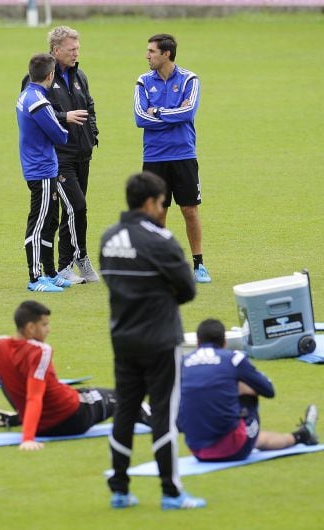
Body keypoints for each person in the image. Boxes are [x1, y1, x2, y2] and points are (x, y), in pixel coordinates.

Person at [100, 171, 205, 510]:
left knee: (125, 413)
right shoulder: (161, 240)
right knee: (163, 414)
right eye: (162, 203)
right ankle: (171, 492)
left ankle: (119, 488)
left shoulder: (108, 238)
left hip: (123, 338)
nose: (163, 209)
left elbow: (111, 281)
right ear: (149, 203)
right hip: (160, 340)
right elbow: (187, 289)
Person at [0, 301, 132, 450]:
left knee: (83, 393)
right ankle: (149, 414)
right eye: (44, 325)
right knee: (122, 398)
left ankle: (17, 419)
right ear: (30, 327)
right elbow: (34, 397)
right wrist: (27, 439)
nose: (48, 330)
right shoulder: (40, 351)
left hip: (42, 427)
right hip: (72, 417)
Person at [21, 26, 100, 285]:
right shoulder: (38, 78)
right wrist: (65, 117)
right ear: (56, 51)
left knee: (72, 210)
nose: (77, 53)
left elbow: (88, 105)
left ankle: (65, 265)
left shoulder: (80, 76)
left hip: (82, 152)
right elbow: (37, 113)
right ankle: (76, 258)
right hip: (58, 157)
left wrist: (92, 133)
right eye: (72, 49)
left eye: (78, 48)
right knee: (76, 206)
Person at [179, 319, 319, 463]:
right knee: (248, 394)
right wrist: (240, 388)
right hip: (233, 448)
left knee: (253, 437)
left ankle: (301, 436)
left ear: (197, 342)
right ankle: (303, 435)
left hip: (198, 450)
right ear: (224, 342)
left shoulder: (183, 362)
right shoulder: (233, 359)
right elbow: (268, 390)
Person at [133, 33, 211, 284]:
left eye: (151, 52)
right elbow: (139, 118)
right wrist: (171, 114)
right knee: (157, 212)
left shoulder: (190, 79)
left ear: (166, 54)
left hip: (183, 154)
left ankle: (198, 264)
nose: (147, 56)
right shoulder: (143, 82)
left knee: (189, 210)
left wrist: (156, 111)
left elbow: (189, 113)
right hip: (154, 157)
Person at [17, 52, 72, 293]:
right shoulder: (39, 101)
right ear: (50, 75)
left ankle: (50, 272)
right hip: (41, 169)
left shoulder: (25, 95)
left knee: (50, 219)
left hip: (39, 165)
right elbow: (60, 134)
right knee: (39, 223)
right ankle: (35, 276)